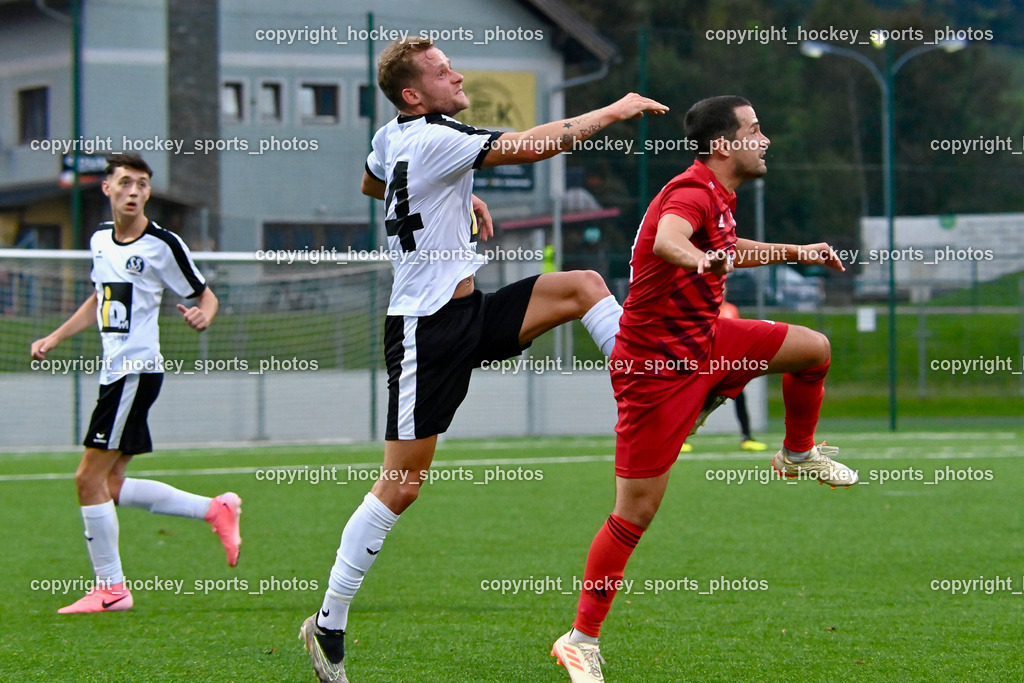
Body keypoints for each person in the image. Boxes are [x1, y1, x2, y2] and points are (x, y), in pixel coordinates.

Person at [299, 36, 667, 682]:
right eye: (444, 71)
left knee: (583, 286)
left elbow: (372, 181)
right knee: (402, 484)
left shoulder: (396, 136)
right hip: (425, 331)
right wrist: (615, 109)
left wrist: (450, 194)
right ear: (415, 93)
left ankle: (648, 385)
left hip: (469, 310)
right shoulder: (438, 138)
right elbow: (538, 141)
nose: (458, 74)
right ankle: (328, 622)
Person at [550, 96, 858, 682]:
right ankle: (580, 638)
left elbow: (729, 248)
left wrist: (798, 252)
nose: (765, 140)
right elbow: (670, 239)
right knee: (634, 512)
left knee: (814, 349)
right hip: (656, 368)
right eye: (755, 129)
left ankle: (795, 454)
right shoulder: (690, 193)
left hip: (708, 341)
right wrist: (697, 261)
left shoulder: (718, 196)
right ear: (723, 145)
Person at [30, 154, 241, 614]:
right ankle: (215, 509)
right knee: (111, 484)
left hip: (136, 370)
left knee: (88, 478)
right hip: (116, 374)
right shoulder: (100, 241)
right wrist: (55, 335)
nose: (133, 191)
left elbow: (205, 294)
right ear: (106, 188)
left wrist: (205, 314)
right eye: (125, 182)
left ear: (147, 193)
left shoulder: (163, 244)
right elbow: (101, 297)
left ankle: (111, 589)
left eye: (142, 185)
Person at [718, 287, 767, 451]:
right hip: (710, 364)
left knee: (740, 397)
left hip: (728, 364)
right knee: (696, 402)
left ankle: (747, 437)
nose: (722, 291)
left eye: (724, 289)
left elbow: (736, 335)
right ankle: (683, 440)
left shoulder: (731, 310)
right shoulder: (707, 309)